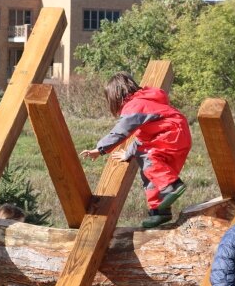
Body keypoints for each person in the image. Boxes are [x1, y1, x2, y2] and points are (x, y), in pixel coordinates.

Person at [80, 71, 192, 228]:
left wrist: (100, 149)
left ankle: (173, 186)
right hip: (176, 135)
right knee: (150, 171)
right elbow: (142, 139)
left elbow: (121, 131)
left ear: (116, 96)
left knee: (149, 160)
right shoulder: (145, 105)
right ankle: (159, 211)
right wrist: (128, 153)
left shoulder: (134, 105)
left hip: (171, 134)